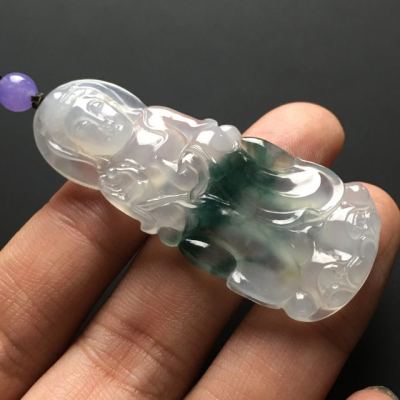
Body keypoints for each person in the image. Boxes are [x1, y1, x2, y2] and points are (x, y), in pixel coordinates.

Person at [0, 102, 398, 400]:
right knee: (252, 249)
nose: (99, 121)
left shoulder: (155, 120)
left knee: (286, 195)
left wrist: (209, 149)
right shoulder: (116, 179)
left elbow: (207, 134)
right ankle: (309, 283)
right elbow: (154, 215)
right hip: (202, 216)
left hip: (233, 175)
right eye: (84, 126)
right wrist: (172, 201)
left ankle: (339, 224)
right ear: (79, 149)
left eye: (97, 109)